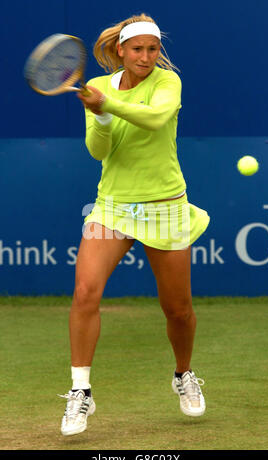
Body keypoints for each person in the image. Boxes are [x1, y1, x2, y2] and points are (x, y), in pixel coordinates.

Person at [59, 13, 210, 436]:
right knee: (85, 291)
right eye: (138, 49)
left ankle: (183, 374)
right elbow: (97, 151)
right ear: (121, 51)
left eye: (153, 48)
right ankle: (80, 392)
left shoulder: (168, 83)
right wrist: (101, 116)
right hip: (113, 207)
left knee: (177, 310)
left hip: (164, 205)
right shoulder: (101, 88)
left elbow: (156, 119)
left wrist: (106, 105)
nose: (147, 56)